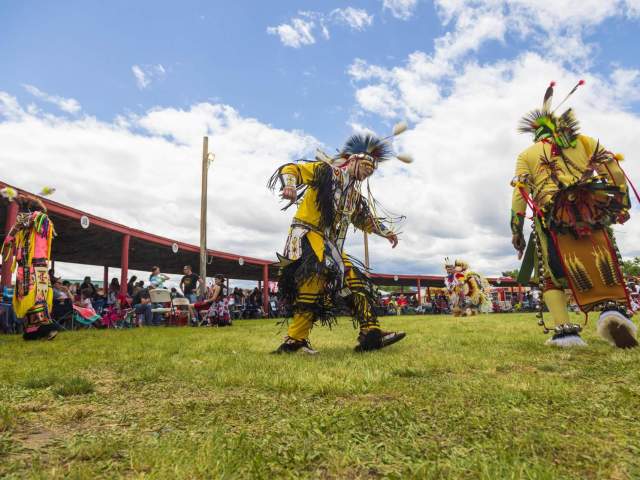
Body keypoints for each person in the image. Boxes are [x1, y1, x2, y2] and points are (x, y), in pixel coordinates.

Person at [511, 80, 637, 348]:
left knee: (552, 276)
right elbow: (613, 169)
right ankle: (613, 311)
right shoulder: (586, 141)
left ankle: (565, 332)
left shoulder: (527, 154)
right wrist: (621, 204)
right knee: (600, 261)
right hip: (591, 211)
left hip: (552, 217)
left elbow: (519, 193)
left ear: (535, 134)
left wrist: (516, 230)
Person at [268, 130, 409, 354]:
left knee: (355, 281)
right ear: (352, 160)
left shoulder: (353, 194)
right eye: (365, 168)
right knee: (311, 286)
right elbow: (292, 168)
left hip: (331, 246)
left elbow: (363, 218)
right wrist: (290, 185)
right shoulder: (326, 172)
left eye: (371, 171)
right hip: (308, 236)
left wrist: (385, 232)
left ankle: (370, 333)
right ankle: (294, 342)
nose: (367, 174)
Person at [1, 194, 58, 340]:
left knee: (38, 297)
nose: (20, 215)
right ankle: (34, 331)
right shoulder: (24, 228)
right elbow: (12, 238)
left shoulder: (41, 219)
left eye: (23, 211)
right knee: (26, 298)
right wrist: (14, 233)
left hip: (36, 266)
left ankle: (46, 329)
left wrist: (14, 230)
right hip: (25, 267)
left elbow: (30, 219)